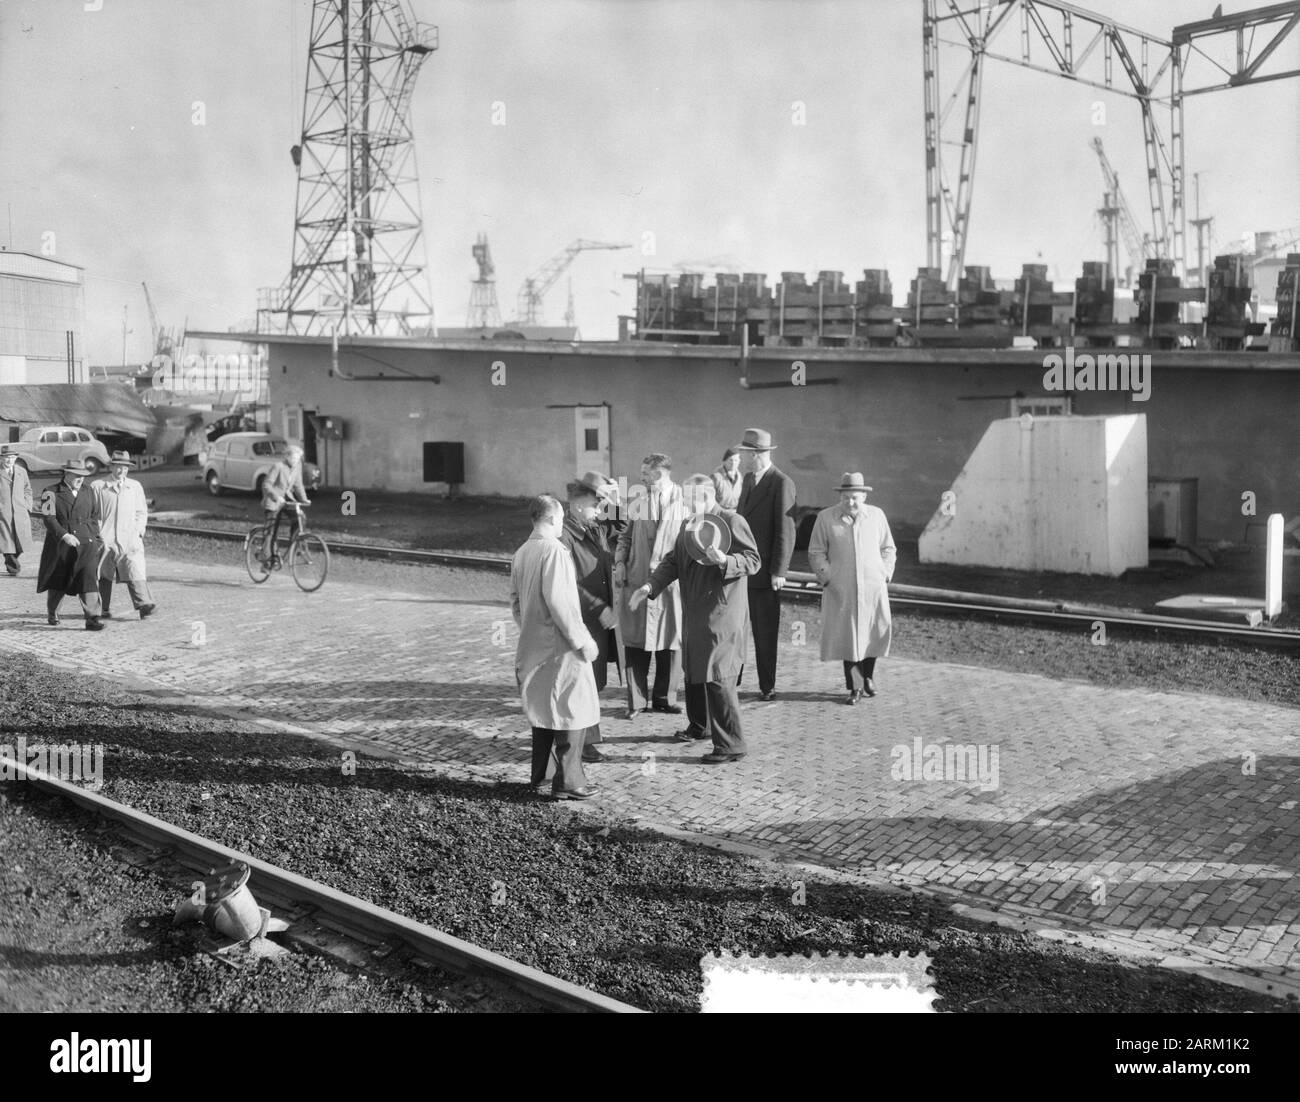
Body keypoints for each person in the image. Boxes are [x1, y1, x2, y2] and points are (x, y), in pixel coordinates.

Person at [629, 475, 760, 763]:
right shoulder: (689, 524)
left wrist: (726, 561)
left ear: (707, 496)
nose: (685, 504)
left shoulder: (731, 520)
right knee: (694, 668)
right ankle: (699, 725)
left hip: (721, 614)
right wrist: (650, 586)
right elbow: (673, 561)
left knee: (718, 674)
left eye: (690, 499)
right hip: (693, 612)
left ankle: (731, 745)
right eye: (685, 498)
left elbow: (753, 560)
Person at [510, 494, 601, 800]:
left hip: (533, 645)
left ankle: (542, 778)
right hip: (561, 647)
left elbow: (515, 603)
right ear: (550, 519)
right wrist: (583, 641)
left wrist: (531, 630)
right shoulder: (556, 552)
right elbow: (561, 604)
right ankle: (570, 781)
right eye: (561, 519)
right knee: (572, 710)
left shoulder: (522, 552)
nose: (563, 524)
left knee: (543, 713)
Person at [808, 473, 896, 703]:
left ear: (864, 496)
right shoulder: (826, 518)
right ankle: (855, 686)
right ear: (840, 496)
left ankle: (868, 677)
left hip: (872, 588)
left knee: (873, 633)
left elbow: (888, 548)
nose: (850, 502)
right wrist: (828, 578)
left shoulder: (876, 516)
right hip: (842, 589)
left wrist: (885, 573)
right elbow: (816, 552)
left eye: (855, 497)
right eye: (846, 497)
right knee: (849, 637)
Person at [558, 471, 623, 764]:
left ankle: (587, 737)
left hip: (596, 621)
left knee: (593, 681)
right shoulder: (565, 536)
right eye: (596, 505)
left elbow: (622, 526)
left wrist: (617, 500)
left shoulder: (593, 528)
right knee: (582, 682)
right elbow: (568, 583)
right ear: (577, 504)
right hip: (581, 619)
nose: (600, 511)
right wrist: (600, 607)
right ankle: (580, 743)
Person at [615, 453, 685, 719]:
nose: (641, 477)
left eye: (645, 473)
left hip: (671, 583)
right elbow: (625, 536)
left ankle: (665, 698)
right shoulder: (638, 500)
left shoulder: (684, 501)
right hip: (636, 578)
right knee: (635, 642)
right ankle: (636, 701)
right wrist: (620, 562)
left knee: (671, 641)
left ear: (659, 474)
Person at [735, 427, 796, 701]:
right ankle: (732, 680)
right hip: (742, 570)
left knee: (765, 632)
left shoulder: (781, 482)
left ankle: (766, 685)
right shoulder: (748, 479)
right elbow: (739, 523)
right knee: (737, 628)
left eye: (747, 453)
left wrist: (779, 571)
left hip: (765, 572)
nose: (744, 458)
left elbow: (786, 531)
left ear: (759, 454)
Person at [36, 461, 106, 630]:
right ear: (66, 473)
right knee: (59, 579)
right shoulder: (50, 492)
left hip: (86, 542)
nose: (80, 479)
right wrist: (64, 535)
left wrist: (96, 538)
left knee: (88, 577)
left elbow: (94, 516)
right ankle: (53, 612)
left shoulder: (88, 491)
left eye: (83, 475)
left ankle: (92, 618)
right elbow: (49, 518)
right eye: (76, 475)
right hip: (61, 542)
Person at [94, 451, 155, 619]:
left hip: (130, 538)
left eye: (125, 467)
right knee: (103, 574)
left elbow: (141, 512)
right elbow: (92, 513)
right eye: (118, 466)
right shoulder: (98, 486)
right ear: (111, 466)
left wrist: (138, 532)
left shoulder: (135, 486)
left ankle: (144, 605)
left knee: (134, 570)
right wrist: (98, 535)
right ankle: (102, 608)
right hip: (106, 538)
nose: (122, 470)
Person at [260, 443, 310, 562]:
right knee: (271, 532)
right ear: (287, 456)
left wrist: (304, 499)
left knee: (300, 518)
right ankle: (267, 561)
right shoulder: (278, 466)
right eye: (293, 458)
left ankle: (294, 546)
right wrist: (276, 497)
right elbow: (266, 484)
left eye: (298, 458)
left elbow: (298, 485)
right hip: (273, 502)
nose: (296, 460)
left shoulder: (297, 467)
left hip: (287, 500)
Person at [0, 443, 34, 576]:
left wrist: (27, 505)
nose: (9, 460)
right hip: (3, 514)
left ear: (16, 459)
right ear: (1, 458)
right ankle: (13, 566)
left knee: (20, 542)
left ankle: (12, 560)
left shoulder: (21, 471)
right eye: (6, 458)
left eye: (12, 458)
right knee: (7, 541)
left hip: (20, 512)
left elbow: (28, 489)